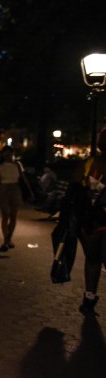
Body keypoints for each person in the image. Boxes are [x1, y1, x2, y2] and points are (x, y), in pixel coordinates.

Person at [71, 128, 106, 316]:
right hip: (100, 218)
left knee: (92, 260)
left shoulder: (90, 163)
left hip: (89, 219)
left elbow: (75, 187)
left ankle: (89, 298)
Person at [0, 145, 25, 251]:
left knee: (13, 216)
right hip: (3, 189)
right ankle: (6, 240)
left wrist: (30, 191)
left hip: (15, 188)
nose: (8, 155)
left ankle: (8, 239)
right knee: (5, 215)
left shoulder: (18, 165)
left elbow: (23, 178)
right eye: (5, 153)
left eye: (10, 153)